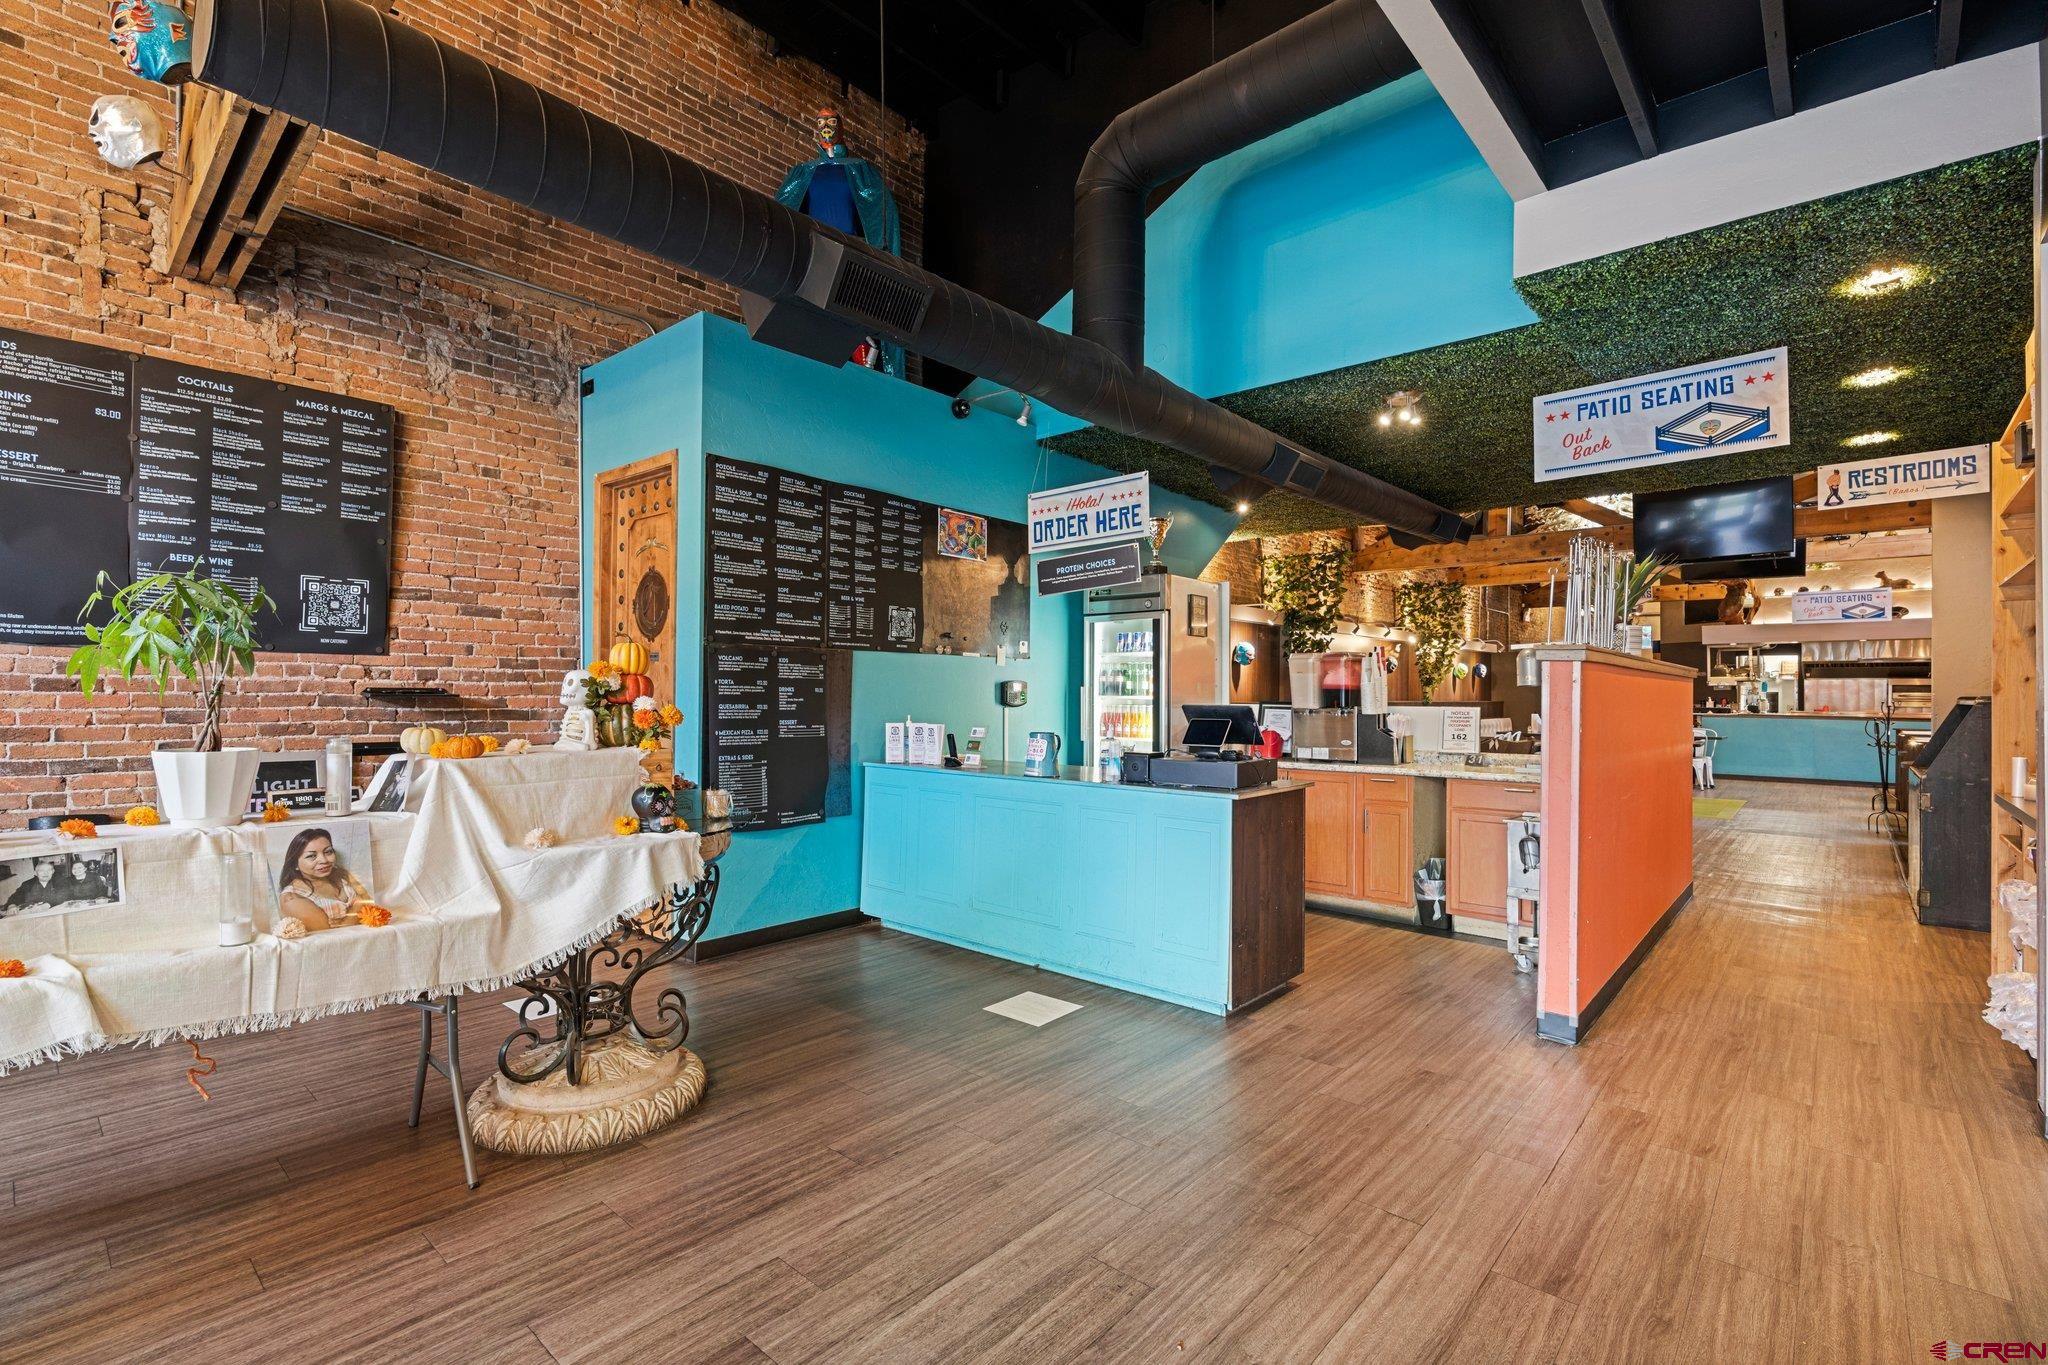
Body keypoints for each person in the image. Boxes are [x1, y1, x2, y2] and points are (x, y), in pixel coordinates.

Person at [275, 829, 371, 933]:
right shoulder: (291, 898)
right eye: (311, 856)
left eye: (328, 852)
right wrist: (357, 906)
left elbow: (369, 903)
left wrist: (350, 916)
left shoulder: (341, 874)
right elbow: (331, 936)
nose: (324, 860)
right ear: (295, 865)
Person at [4, 857, 71, 914]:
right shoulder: (27, 884)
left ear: (53, 872)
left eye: (49, 870)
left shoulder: (60, 881)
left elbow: (64, 894)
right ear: (35, 873)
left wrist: (47, 905)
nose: (45, 873)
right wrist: (11, 905)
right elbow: (15, 896)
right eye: (41, 870)